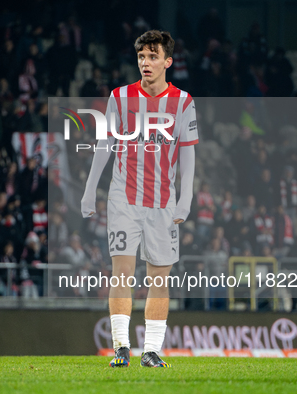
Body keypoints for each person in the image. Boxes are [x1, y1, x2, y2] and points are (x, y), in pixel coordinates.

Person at [81, 30, 197, 368]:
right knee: (122, 273)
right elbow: (105, 145)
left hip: (163, 202)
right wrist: (91, 189)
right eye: (141, 57)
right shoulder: (119, 97)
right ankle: (120, 346)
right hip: (123, 199)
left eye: (152, 56)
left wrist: (185, 198)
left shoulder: (183, 103)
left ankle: (152, 351)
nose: (145, 63)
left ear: (167, 62)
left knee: (159, 279)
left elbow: (188, 156)